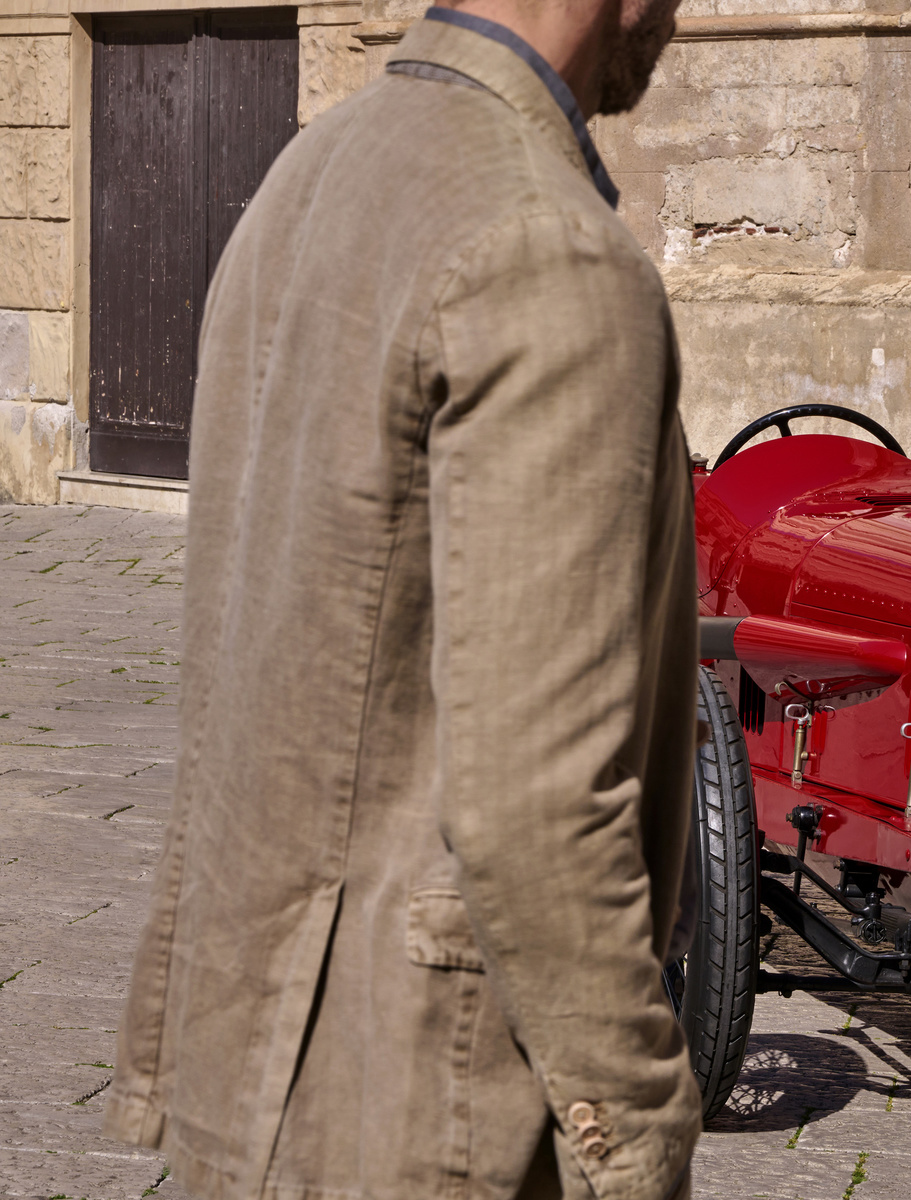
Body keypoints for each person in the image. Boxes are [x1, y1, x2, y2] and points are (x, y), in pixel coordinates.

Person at [103, 1, 702, 1196]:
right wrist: (636, 1129)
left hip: (257, 1054)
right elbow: (539, 796)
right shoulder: (547, 245)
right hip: (435, 1097)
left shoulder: (312, 166)